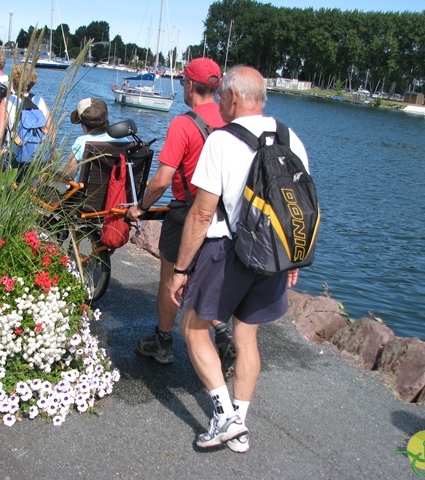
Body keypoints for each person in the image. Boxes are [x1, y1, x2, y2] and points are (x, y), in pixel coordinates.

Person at [168, 65, 309, 452]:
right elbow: (299, 205)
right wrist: (293, 258)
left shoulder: (222, 141)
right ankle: (238, 425)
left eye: (223, 99)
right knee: (247, 337)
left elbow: (201, 213)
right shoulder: (291, 137)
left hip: (228, 251)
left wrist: (181, 269)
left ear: (231, 98)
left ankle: (226, 418)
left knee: (194, 328)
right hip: (274, 254)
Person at [126, 58, 236, 372]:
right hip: (224, 215)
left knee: (171, 280)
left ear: (189, 85)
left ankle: (162, 342)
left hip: (187, 214)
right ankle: (224, 334)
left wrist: (142, 207)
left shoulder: (184, 124)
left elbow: (161, 180)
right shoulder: (232, 121)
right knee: (209, 279)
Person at [0, 62, 52, 180]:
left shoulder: (6, 102)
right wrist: (50, 157)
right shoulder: (40, 101)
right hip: (37, 158)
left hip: (13, 158)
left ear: (13, 80)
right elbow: (51, 134)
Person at [65, 97, 130, 179]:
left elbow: (69, 174)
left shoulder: (82, 142)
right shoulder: (124, 141)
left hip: (83, 191)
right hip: (117, 190)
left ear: (84, 126)